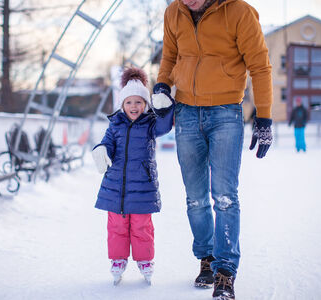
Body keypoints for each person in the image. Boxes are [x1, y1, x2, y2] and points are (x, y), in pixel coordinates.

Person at [154, 0, 273, 299]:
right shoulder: (173, 12)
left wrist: (265, 117)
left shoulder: (239, 12)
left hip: (225, 113)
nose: (186, 0)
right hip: (187, 113)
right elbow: (169, 56)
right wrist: (162, 85)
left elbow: (260, 65)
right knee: (195, 198)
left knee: (224, 196)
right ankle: (206, 258)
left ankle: (225, 272)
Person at [91, 67, 175, 285]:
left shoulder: (150, 124)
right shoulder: (115, 124)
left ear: (145, 104)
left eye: (138, 102)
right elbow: (107, 142)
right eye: (129, 102)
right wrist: (102, 149)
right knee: (117, 226)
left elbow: (165, 126)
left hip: (143, 187)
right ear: (122, 105)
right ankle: (118, 259)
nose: (133, 106)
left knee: (141, 226)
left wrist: (166, 110)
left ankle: (145, 260)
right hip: (115, 186)